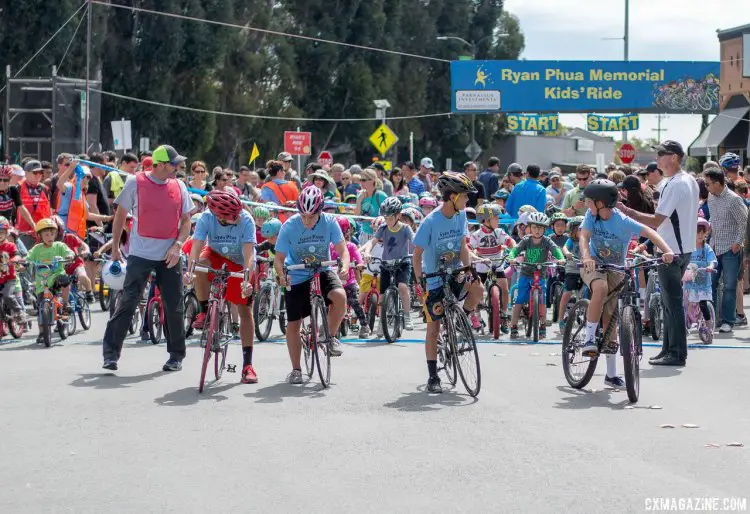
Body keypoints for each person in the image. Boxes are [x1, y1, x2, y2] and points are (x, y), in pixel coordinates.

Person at [101, 145, 194, 372]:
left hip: (169, 255)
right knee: (129, 301)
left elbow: (186, 221)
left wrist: (178, 245)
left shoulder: (179, 185)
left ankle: (176, 355)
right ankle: (111, 354)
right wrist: (115, 247)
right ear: (160, 164)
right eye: (173, 163)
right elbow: (120, 216)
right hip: (140, 254)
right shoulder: (135, 182)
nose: (177, 167)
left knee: (174, 305)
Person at [579, 180, 674, 386]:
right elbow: (584, 237)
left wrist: (666, 250)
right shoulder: (591, 216)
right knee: (600, 288)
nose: (587, 204)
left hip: (616, 270)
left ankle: (611, 375)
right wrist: (586, 256)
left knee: (612, 319)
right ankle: (588, 338)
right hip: (593, 266)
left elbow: (650, 232)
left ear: (601, 203)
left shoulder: (621, 220)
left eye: (589, 201)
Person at [616, 140, 698, 367]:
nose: (658, 158)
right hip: (679, 249)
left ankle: (677, 353)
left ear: (674, 157)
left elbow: (656, 220)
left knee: (671, 305)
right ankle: (669, 350)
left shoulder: (676, 184)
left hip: (670, 251)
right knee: (668, 303)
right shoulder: (686, 179)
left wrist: (625, 211)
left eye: (662, 154)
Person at [413, 172, 484, 394]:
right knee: (433, 329)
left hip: (454, 271)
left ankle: (461, 318)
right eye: (464, 196)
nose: (467, 200)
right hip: (433, 276)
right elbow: (417, 255)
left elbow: (463, 246)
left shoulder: (461, 215)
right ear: (452, 196)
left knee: (478, 287)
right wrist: (419, 283)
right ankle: (433, 376)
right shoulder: (431, 221)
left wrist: (469, 267)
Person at [274, 186, 350, 384]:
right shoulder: (289, 225)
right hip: (297, 273)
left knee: (340, 297)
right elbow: (279, 258)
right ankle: (296, 369)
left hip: (322, 269)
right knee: (294, 322)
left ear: (320, 211)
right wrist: (281, 275)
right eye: (303, 216)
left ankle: (329, 336)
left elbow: (343, 251)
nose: (307, 220)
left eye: (311, 216)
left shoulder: (329, 221)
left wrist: (345, 266)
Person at [185, 189, 258, 384]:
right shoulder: (207, 218)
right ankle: (204, 311)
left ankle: (247, 365)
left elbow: (250, 255)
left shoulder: (246, 220)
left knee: (244, 310)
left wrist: (246, 278)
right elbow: (196, 246)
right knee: (201, 265)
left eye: (237, 214)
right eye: (232, 216)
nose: (237, 218)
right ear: (219, 216)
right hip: (215, 254)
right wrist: (189, 270)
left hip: (240, 261)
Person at [360, 197, 415, 335]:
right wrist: (367, 253)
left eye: (390, 217)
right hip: (386, 264)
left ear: (398, 216)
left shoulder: (405, 228)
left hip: (402, 263)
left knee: (402, 287)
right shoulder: (383, 228)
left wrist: (418, 251)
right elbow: (372, 242)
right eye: (385, 217)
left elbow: (414, 239)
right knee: (382, 296)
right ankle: (382, 322)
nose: (387, 220)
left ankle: (407, 315)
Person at [506, 212, 564, 340]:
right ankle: (514, 325)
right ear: (530, 228)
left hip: (540, 274)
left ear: (545, 229)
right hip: (526, 273)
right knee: (520, 299)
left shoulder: (547, 241)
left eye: (541, 228)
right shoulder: (526, 240)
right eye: (535, 227)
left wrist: (560, 258)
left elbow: (556, 250)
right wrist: (512, 257)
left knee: (542, 299)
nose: (537, 231)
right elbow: (516, 249)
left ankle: (542, 325)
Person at [703, 167, 748, 333]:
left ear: (716, 183)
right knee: (711, 285)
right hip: (714, 247)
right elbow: (714, 219)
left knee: (729, 286)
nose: (705, 187)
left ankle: (728, 320)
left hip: (730, 249)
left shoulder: (734, 199)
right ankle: (711, 319)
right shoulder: (711, 196)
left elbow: (744, 222)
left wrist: (737, 243)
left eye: (707, 184)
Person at [470, 203, 515, 333]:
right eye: (496, 218)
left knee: (505, 289)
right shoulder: (477, 235)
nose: (498, 221)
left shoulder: (499, 232)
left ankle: (504, 315)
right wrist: (474, 256)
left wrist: (514, 250)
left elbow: (510, 241)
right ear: (486, 220)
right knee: (475, 291)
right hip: (482, 267)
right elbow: (469, 248)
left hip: (497, 265)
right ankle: (476, 315)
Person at [26, 218, 76, 331]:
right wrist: (24, 262)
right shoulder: (37, 249)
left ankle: (65, 304)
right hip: (42, 281)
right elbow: (28, 257)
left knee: (65, 280)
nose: (50, 237)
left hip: (56, 275)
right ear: (40, 235)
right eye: (46, 235)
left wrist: (69, 256)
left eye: (52, 234)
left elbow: (69, 252)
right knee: (40, 307)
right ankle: (42, 332)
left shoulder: (59, 246)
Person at [329, 216, 369, 338]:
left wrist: (360, 264)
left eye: (342, 232)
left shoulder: (351, 246)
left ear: (347, 232)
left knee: (354, 301)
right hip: (334, 280)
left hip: (348, 281)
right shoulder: (329, 246)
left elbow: (358, 258)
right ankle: (328, 326)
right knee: (328, 303)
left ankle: (364, 325)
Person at [683, 218, 717, 336]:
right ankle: (684, 325)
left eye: (703, 232)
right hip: (689, 282)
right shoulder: (688, 248)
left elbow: (712, 260)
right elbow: (682, 259)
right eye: (698, 232)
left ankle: (708, 326)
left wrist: (710, 266)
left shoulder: (706, 248)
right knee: (685, 304)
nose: (700, 235)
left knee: (703, 304)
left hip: (703, 283)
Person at [16, 160, 52, 250]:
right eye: (35, 172)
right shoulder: (18, 188)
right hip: (24, 232)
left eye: (40, 172)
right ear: (26, 173)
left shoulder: (44, 188)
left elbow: (49, 210)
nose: (38, 175)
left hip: (43, 232)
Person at [557, 216, 584, 330]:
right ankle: (561, 319)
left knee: (587, 292)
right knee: (567, 293)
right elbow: (565, 248)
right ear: (573, 230)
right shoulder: (571, 240)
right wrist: (567, 253)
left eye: (582, 229)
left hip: (585, 270)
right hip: (572, 270)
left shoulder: (588, 241)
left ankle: (585, 314)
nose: (580, 231)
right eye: (578, 229)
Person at [0, 216, 25, 323]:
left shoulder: (10, 245)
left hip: (9, 278)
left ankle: (19, 311)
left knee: (7, 295)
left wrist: (13, 260)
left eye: (1, 232)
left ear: (6, 232)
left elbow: (18, 255)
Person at [354, 168, 387, 244]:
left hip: (379, 235)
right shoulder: (360, 194)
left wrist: (369, 220)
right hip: (364, 233)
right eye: (360, 180)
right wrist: (359, 200)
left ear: (372, 180)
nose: (361, 182)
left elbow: (387, 216)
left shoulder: (381, 195)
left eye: (364, 180)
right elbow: (357, 215)